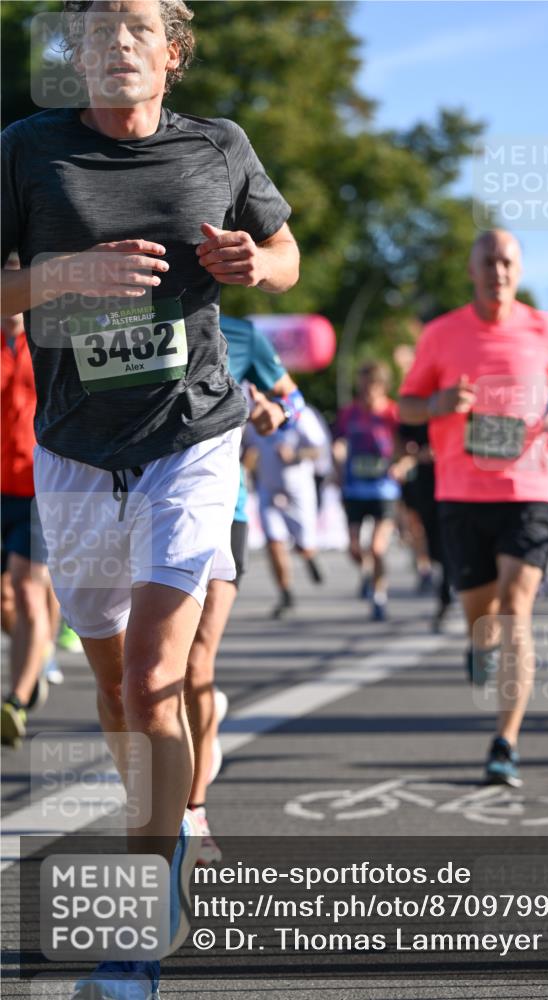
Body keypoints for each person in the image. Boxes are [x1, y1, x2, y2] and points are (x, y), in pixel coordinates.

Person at [1, 1, 298, 995]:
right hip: (75, 449)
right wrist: (58, 275)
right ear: (74, 57)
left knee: (162, 678)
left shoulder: (219, 145)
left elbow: (284, 250)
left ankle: (139, 923)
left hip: (193, 436)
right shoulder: (27, 150)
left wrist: (261, 263)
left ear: (171, 52)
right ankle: (163, 842)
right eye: (96, 32)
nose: (116, 44)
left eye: (137, 28)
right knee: (118, 689)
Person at [399, 229, 548, 788]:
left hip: (528, 491)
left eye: (507, 262)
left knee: (516, 610)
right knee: (482, 616)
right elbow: (406, 407)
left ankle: (505, 741)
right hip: (461, 494)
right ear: (472, 268)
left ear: (519, 269)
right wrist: (434, 403)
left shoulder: (544, 327)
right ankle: (478, 645)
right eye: (488, 261)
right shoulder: (441, 333)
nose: (498, 271)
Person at [184, 313, 305, 864]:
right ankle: (193, 731)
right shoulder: (126, 317)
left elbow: (295, 403)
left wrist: (273, 410)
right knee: (138, 675)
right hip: (136, 509)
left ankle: (193, 811)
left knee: (193, 664)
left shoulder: (243, 335)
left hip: (220, 510)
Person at [0, 279, 54, 746]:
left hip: (39, 488)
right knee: (6, 600)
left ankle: (15, 700)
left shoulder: (50, 335)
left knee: (27, 588)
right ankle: (33, 659)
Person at [334, 361, 407, 622]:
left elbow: (406, 449)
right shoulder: (349, 413)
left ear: (382, 387)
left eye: (370, 388)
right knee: (355, 548)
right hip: (354, 489)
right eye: (362, 387)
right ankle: (367, 571)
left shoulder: (392, 413)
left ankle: (379, 596)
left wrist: (401, 465)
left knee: (376, 548)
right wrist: (338, 466)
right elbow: (338, 442)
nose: (365, 393)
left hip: (384, 490)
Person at [244, 402, 326, 618]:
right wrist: (248, 462)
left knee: (304, 545)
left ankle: (308, 556)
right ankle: (285, 591)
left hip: (298, 492)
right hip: (268, 489)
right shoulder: (255, 415)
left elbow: (318, 450)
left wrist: (296, 455)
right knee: (273, 542)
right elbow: (247, 449)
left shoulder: (302, 413)